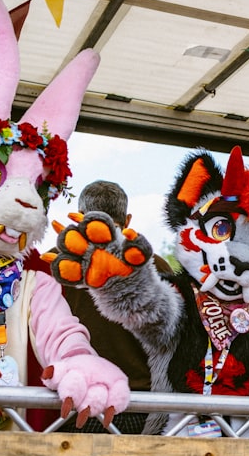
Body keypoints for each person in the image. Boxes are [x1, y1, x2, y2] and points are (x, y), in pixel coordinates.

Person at [55, 180, 172, 434]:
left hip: (71, 404)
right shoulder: (155, 266)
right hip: (138, 406)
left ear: (78, 217)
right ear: (127, 219)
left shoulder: (56, 263)